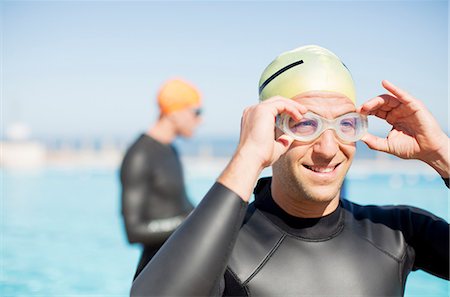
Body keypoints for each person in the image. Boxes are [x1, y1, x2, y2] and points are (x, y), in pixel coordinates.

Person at [130, 46, 449, 296]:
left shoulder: (400, 232)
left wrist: (441, 154)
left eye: (345, 124)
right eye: (305, 124)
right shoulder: (220, 249)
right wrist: (248, 157)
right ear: (269, 129)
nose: (328, 148)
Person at [120, 78, 202, 280]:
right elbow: (134, 231)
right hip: (156, 275)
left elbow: (181, 205)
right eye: (196, 112)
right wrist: (191, 222)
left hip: (178, 266)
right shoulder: (139, 156)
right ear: (174, 113)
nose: (200, 120)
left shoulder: (170, 150)